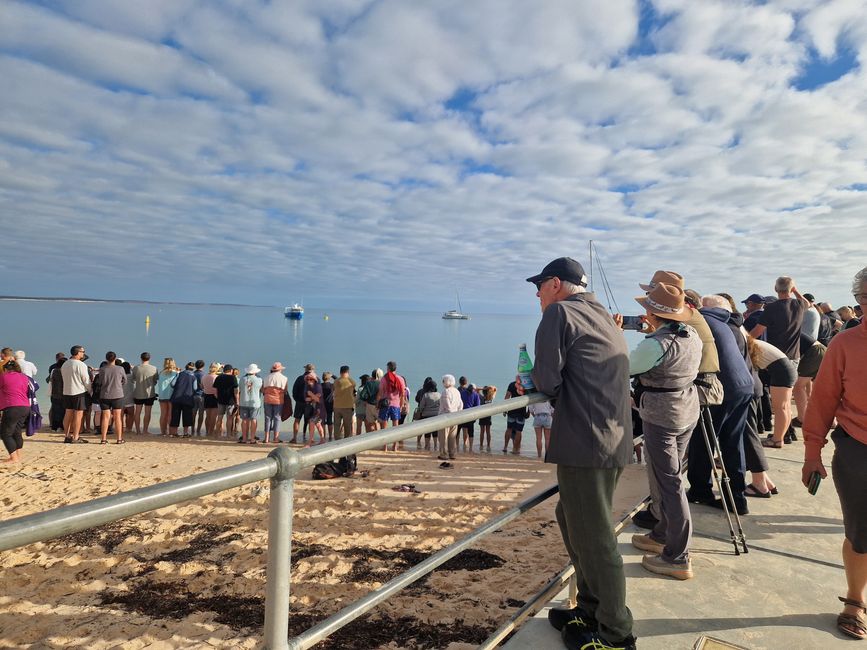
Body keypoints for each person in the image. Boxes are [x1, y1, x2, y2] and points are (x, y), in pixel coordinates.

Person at [526, 257, 635, 650]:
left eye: (538, 286)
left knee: (595, 535)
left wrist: (533, 383)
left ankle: (616, 633)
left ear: (555, 284)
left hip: (587, 440)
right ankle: (589, 607)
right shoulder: (602, 313)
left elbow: (547, 379)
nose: (536, 294)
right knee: (573, 519)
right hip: (612, 437)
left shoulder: (558, 314)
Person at [617, 282, 701, 580]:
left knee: (670, 484)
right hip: (686, 408)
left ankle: (678, 556)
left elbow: (623, 367)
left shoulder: (656, 344)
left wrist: (616, 336)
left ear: (651, 312)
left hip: (663, 416)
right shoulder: (690, 335)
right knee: (672, 477)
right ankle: (663, 533)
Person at [802, 266, 867, 641]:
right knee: (860, 533)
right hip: (858, 452)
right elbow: (823, 401)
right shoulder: (845, 343)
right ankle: (856, 601)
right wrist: (813, 452)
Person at [688, 296, 754, 515]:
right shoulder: (725, 322)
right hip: (743, 385)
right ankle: (737, 498)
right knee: (732, 443)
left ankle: (700, 490)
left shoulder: (699, 320)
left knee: (702, 440)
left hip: (722, 389)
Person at [750, 277, 808, 447]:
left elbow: (757, 331)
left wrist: (745, 341)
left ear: (775, 289)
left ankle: (777, 439)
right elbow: (806, 302)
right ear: (792, 289)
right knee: (786, 403)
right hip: (795, 356)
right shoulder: (799, 305)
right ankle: (783, 434)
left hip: (777, 358)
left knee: (780, 405)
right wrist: (795, 290)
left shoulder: (772, 308)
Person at [0, 360, 31, 463]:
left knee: (5, 433)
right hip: (25, 407)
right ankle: (18, 455)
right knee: (17, 432)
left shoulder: (3, 376)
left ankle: (13, 458)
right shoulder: (24, 377)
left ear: (6, 369)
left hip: (12, 407)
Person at [61, 345, 91, 443]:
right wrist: (90, 390)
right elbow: (86, 380)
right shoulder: (81, 365)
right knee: (78, 415)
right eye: (82, 351)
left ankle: (67, 435)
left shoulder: (65, 364)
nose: (83, 353)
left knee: (68, 413)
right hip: (79, 392)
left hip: (67, 391)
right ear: (78, 353)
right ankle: (75, 436)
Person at [377, 361, 406, 450]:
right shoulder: (400, 379)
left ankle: (385, 446)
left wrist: (378, 404)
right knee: (395, 427)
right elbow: (402, 394)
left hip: (385, 404)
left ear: (388, 368)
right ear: (395, 368)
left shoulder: (384, 379)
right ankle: (395, 446)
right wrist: (401, 405)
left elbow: (381, 392)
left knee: (384, 427)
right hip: (396, 405)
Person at [98, 352, 126, 444]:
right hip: (117, 395)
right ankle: (119, 439)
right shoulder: (120, 368)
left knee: (105, 417)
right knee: (118, 417)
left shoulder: (102, 369)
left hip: (105, 395)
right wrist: (118, 384)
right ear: (115, 358)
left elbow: (100, 381)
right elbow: (124, 380)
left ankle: (103, 439)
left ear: (106, 359)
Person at [437, 374, 462, 461]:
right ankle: (452, 453)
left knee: (443, 437)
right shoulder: (457, 391)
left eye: (443, 381)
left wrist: (450, 414)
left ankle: (443, 454)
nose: (443, 383)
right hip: (455, 417)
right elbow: (460, 405)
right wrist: (457, 414)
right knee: (452, 437)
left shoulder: (445, 392)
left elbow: (447, 407)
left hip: (445, 417)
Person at [131, 353, 158, 435]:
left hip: (138, 393)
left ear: (141, 358)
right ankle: (145, 430)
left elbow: (134, 379)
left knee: (137, 412)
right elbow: (155, 381)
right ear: (149, 358)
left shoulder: (136, 368)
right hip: (149, 394)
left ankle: (138, 431)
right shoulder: (154, 368)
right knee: (148, 412)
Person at [262, 362, 289, 443]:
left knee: (268, 418)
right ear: (280, 369)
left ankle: (266, 438)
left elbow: (262, 389)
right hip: (278, 400)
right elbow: (285, 390)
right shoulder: (284, 378)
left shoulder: (266, 377)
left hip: (267, 399)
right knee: (277, 418)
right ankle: (276, 438)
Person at [169, 362, 198, 437]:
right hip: (187, 398)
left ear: (185, 367)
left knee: (175, 415)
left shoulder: (179, 374)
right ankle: (185, 433)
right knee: (187, 416)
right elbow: (195, 388)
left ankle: (174, 433)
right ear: (193, 369)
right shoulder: (194, 377)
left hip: (176, 398)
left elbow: (172, 384)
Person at [503, 376, 528, 454]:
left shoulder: (511, 385)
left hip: (511, 410)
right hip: (521, 412)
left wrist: (504, 409)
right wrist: (529, 412)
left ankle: (505, 447)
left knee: (509, 429)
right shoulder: (525, 387)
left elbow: (507, 397)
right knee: (518, 431)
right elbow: (530, 399)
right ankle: (515, 449)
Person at [238, 364, 263, 443]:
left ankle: (244, 438)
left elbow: (239, 389)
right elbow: (262, 390)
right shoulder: (259, 380)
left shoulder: (242, 379)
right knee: (254, 420)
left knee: (244, 420)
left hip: (243, 401)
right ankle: (252, 438)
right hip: (255, 403)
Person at [414, 377, 441, 451]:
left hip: (426, 415)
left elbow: (422, 406)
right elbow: (440, 405)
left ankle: (427, 446)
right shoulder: (439, 395)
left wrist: (420, 412)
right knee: (435, 431)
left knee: (427, 431)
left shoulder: (426, 395)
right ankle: (435, 446)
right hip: (436, 415)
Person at [291, 363, 315, 443]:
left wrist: (297, 399)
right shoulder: (315, 379)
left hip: (300, 402)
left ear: (305, 369)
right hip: (310, 403)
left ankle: (294, 438)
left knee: (297, 420)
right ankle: (311, 439)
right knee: (311, 421)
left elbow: (294, 391)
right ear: (313, 370)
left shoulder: (300, 378)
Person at [213, 364, 238, 438]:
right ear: (231, 370)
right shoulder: (233, 378)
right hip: (230, 400)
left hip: (221, 400)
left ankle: (217, 434)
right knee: (229, 418)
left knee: (219, 417)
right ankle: (228, 434)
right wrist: (237, 401)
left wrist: (218, 397)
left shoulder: (218, 377)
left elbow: (215, 390)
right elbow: (235, 390)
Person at [332, 365, 356, 441]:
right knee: (347, 426)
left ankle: (337, 440)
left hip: (337, 406)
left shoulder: (336, 381)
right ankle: (346, 442)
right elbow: (354, 385)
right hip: (347, 407)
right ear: (348, 372)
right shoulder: (351, 381)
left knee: (336, 425)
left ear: (340, 372)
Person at [155, 358, 178, 436]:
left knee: (163, 414)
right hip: (171, 395)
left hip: (162, 395)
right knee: (170, 414)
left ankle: (163, 432)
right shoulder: (175, 373)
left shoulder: (161, 373)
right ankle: (170, 431)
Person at [458, 377, 481, 452]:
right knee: (470, 432)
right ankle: (470, 447)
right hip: (470, 416)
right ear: (473, 389)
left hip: (461, 415)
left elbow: (458, 403)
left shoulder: (462, 393)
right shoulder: (476, 395)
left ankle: (456, 446)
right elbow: (477, 406)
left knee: (458, 431)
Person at [303, 371, 325, 446]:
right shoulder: (307, 387)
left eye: (311, 379)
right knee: (318, 424)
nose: (309, 381)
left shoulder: (318, 387)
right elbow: (306, 399)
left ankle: (309, 442)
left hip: (319, 409)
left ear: (314, 380)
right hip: (314, 409)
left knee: (312, 422)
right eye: (308, 379)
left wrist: (311, 395)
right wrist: (314, 396)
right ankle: (322, 439)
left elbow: (319, 400)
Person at [201, 362, 220, 436]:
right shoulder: (216, 377)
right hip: (214, 396)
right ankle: (211, 432)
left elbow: (202, 386)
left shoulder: (204, 377)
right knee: (213, 417)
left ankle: (207, 431)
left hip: (206, 396)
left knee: (208, 416)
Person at [48, 356, 66, 431]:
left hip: (54, 393)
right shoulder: (65, 371)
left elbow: (49, 380)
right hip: (64, 394)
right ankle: (61, 426)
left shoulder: (54, 371)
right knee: (63, 411)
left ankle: (54, 426)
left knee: (55, 410)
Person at [478, 385, 496, 452]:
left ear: (483, 392)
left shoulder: (481, 398)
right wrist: (489, 388)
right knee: (488, 431)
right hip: (488, 416)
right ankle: (488, 445)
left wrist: (483, 388)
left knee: (482, 431)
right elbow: (495, 389)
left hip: (482, 415)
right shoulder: (491, 398)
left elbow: (476, 390)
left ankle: (481, 445)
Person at [192, 360, 206, 436]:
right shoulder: (203, 374)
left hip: (193, 395)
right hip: (201, 395)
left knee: (193, 414)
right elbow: (203, 386)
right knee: (201, 414)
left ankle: (192, 429)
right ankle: (198, 430)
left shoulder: (192, 374)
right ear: (203, 366)